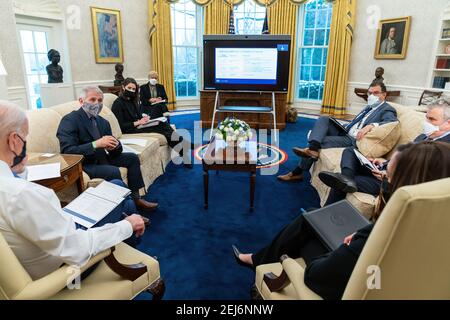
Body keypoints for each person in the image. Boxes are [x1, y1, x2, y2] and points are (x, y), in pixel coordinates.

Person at [233, 141, 450, 300]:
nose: (384, 181)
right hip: (386, 273)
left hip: (361, 277)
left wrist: (350, 246)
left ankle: (259, 259)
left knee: (310, 222)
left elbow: (315, 277)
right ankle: (258, 256)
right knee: (313, 216)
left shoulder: (378, 235)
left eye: (388, 177)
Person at [0, 100, 147, 280]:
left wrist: (17, 166)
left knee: (117, 187)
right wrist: (127, 226)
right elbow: (77, 249)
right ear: (14, 141)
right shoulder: (22, 194)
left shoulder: (12, 187)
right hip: (66, 268)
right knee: (122, 197)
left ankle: (133, 233)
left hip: (51, 240)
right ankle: (135, 250)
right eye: (25, 137)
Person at [320, 98, 450, 205]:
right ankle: (346, 179)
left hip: (394, 183)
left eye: (432, 119)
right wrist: (383, 163)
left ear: (448, 123)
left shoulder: (444, 150)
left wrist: (387, 175)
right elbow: (404, 158)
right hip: (384, 172)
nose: (426, 122)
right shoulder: (424, 136)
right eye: (427, 118)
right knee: (351, 151)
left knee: (340, 181)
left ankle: (326, 210)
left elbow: (423, 179)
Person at [56, 86, 158, 211]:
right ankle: (127, 209)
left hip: (103, 157)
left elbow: (115, 150)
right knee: (113, 171)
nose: (96, 104)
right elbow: (68, 151)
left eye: (100, 101)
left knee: (132, 158)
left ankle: (136, 198)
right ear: (81, 101)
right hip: (86, 163)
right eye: (92, 100)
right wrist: (95, 144)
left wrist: (116, 146)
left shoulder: (103, 121)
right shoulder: (70, 120)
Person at [278, 83, 398, 182]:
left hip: (352, 140)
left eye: (375, 93)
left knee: (319, 140)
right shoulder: (369, 107)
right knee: (324, 118)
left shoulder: (387, 109)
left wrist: (372, 125)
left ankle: (297, 171)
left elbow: (392, 122)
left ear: (384, 94)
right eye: (370, 93)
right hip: (345, 130)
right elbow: (356, 123)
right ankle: (313, 148)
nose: (372, 96)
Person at [111, 78, 193, 167]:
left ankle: (183, 150)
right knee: (162, 128)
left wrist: (144, 117)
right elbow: (121, 126)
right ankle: (184, 148)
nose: (131, 90)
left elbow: (137, 116)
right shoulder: (117, 103)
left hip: (139, 125)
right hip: (130, 130)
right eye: (129, 88)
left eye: (133, 89)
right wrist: (138, 123)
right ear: (123, 87)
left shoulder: (132, 100)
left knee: (162, 123)